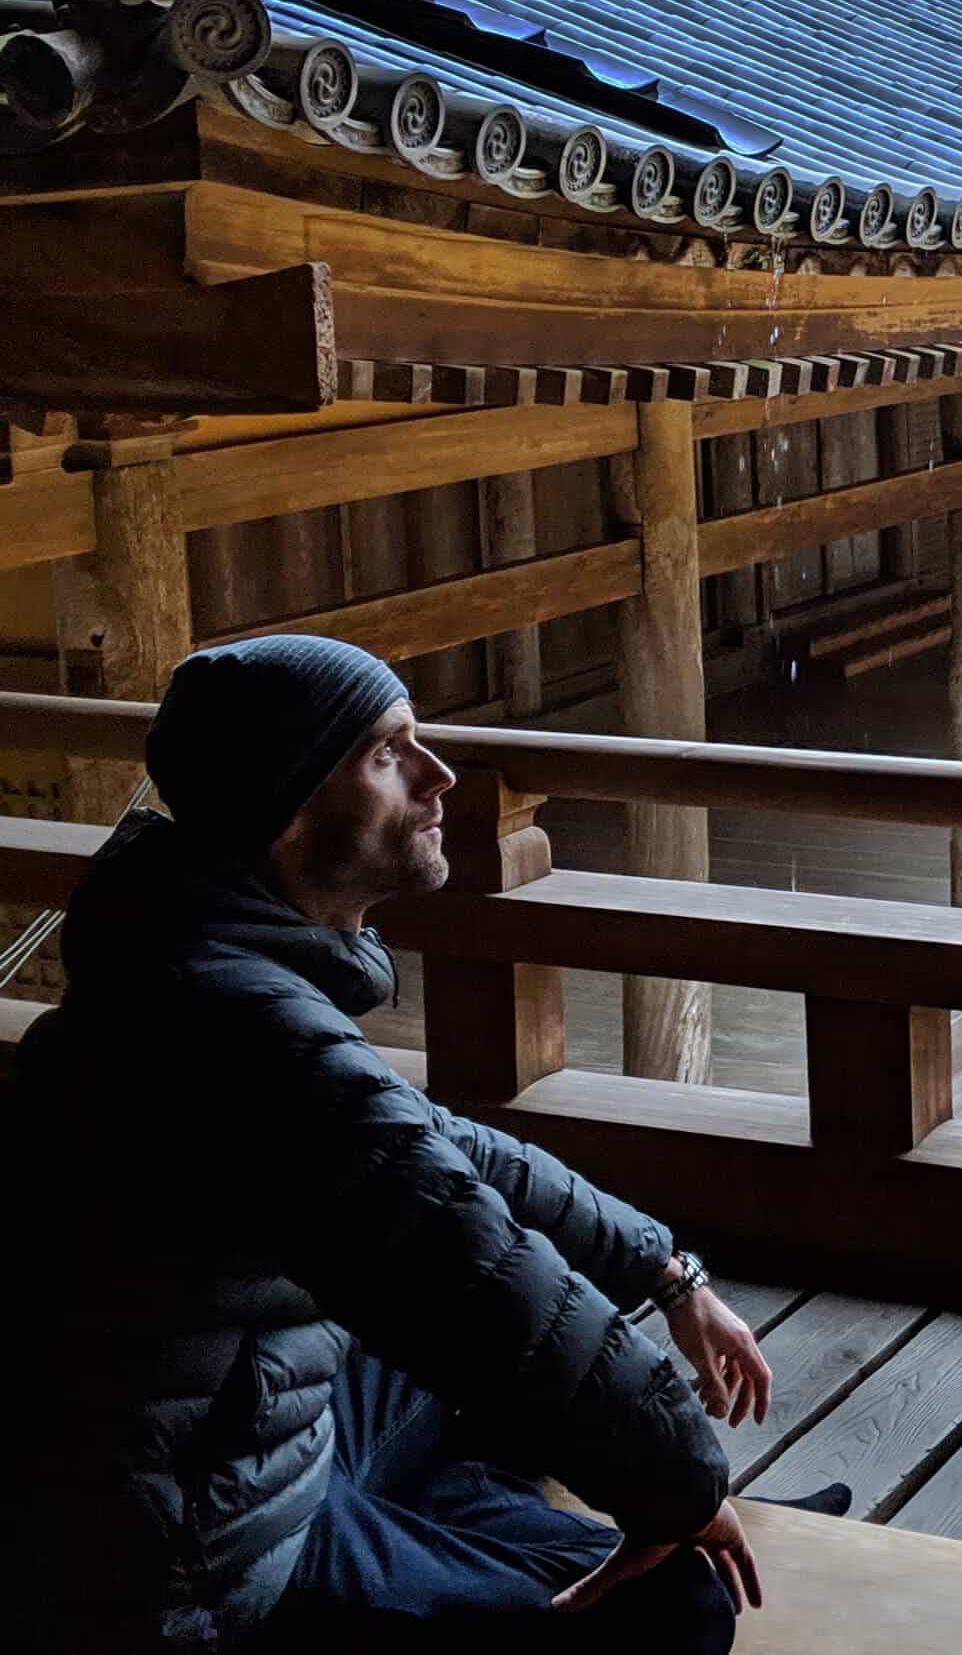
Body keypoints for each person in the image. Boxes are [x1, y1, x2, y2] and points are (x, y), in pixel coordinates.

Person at [3, 635, 847, 1654]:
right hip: (196, 1549)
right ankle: (636, 1543)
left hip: (237, 1422)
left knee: (474, 1354)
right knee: (682, 1608)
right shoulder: (242, 1026)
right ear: (289, 805)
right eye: (386, 751)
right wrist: (679, 1485)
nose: (440, 775)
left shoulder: (197, 962)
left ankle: (547, 1534)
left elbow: (446, 1162)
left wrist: (664, 1271)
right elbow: (474, 1278)